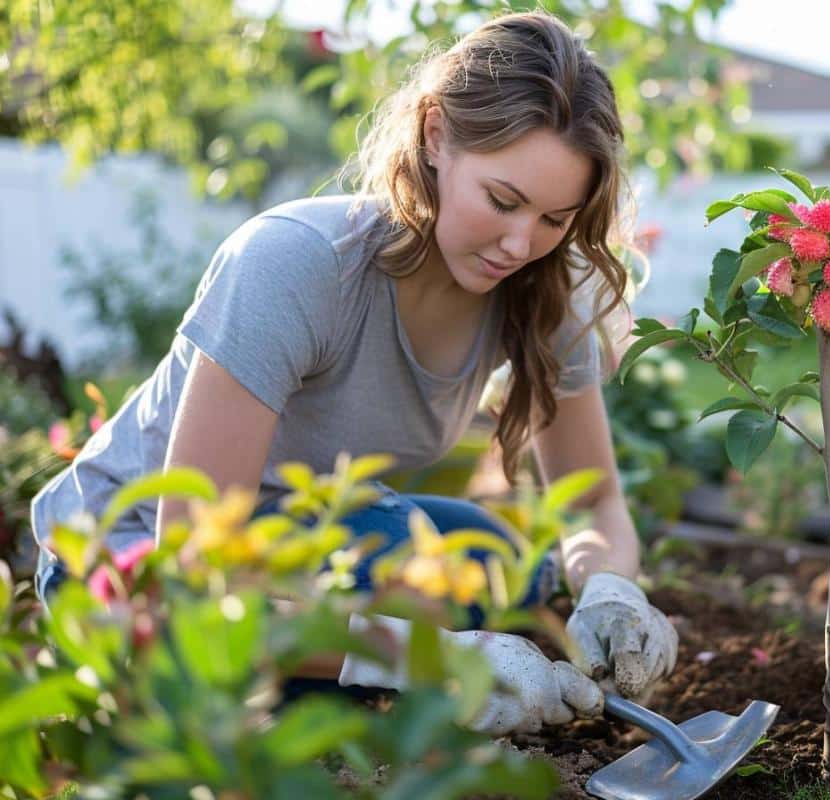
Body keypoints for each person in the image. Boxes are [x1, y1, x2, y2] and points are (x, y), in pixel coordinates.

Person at [29, 10, 677, 736]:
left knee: (499, 564)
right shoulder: (297, 265)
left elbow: (593, 507)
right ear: (436, 136)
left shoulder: (545, 288)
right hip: (142, 570)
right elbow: (194, 579)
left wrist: (613, 590)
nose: (521, 243)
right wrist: (426, 658)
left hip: (299, 540)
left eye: (557, 218)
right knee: (254, 671)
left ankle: (321, 673)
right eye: (502, 200)